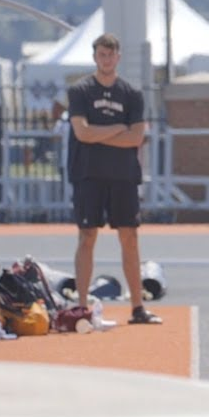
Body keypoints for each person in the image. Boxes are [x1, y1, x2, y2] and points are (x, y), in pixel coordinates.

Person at [66, 33, 160, 324]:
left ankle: (137, 307)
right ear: (95, 57)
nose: (106, 59)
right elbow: (82, 133)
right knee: (87, 236)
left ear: (118, 57)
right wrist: (117, 128)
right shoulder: (80, 90)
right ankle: (82, 306)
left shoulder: (131, 94)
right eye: (102, 55)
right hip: (88, 174)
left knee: (129, 237)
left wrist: (100, 132)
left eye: (111, 54)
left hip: (123, 176)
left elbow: (136, 137)